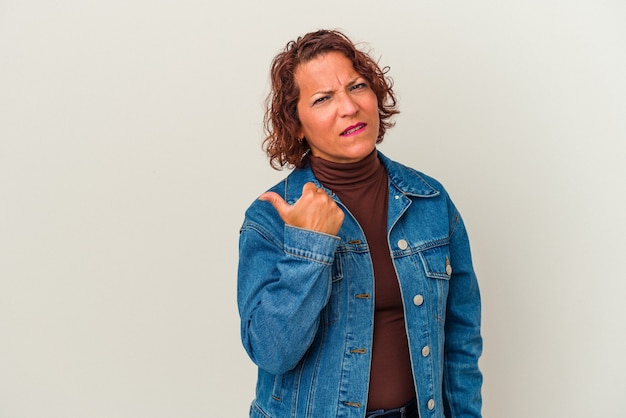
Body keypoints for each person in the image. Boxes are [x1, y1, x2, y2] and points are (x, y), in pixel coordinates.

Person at [237, 29, 482, 418]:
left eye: (357, 86)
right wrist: (309, 246)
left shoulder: (430, 201)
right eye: (322, 99)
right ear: (296, 123)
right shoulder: (270, 216)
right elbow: (272, 352)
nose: (349, 107)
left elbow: (461, 340)